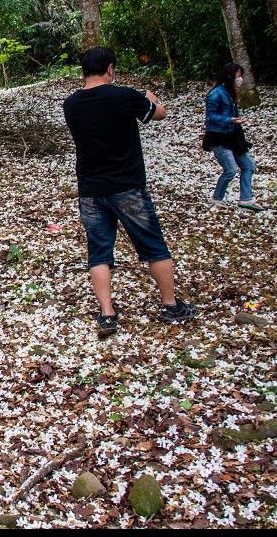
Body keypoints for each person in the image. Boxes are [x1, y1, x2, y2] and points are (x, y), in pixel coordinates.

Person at [62, 47, 197, 337]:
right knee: (153, 245)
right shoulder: (124, 96)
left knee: (99, 250)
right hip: (127, 186)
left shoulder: (71, 104)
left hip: (90, 188)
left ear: (83, 70)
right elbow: (157, 114)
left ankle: (107, 313)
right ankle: (170, 305)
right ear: (110, 68)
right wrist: (151, 98)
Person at [203, 63, 263, 211]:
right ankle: (216, 197)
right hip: (219, 137)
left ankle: (246, 198)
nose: (240, 79)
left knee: (248, 166)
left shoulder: (229, 92)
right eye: (238, 75)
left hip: (233, 136)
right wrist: (229, 120)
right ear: (230, 75)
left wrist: (235, 120)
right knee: (230, 169)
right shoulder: (217, 94)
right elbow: (210, 117)